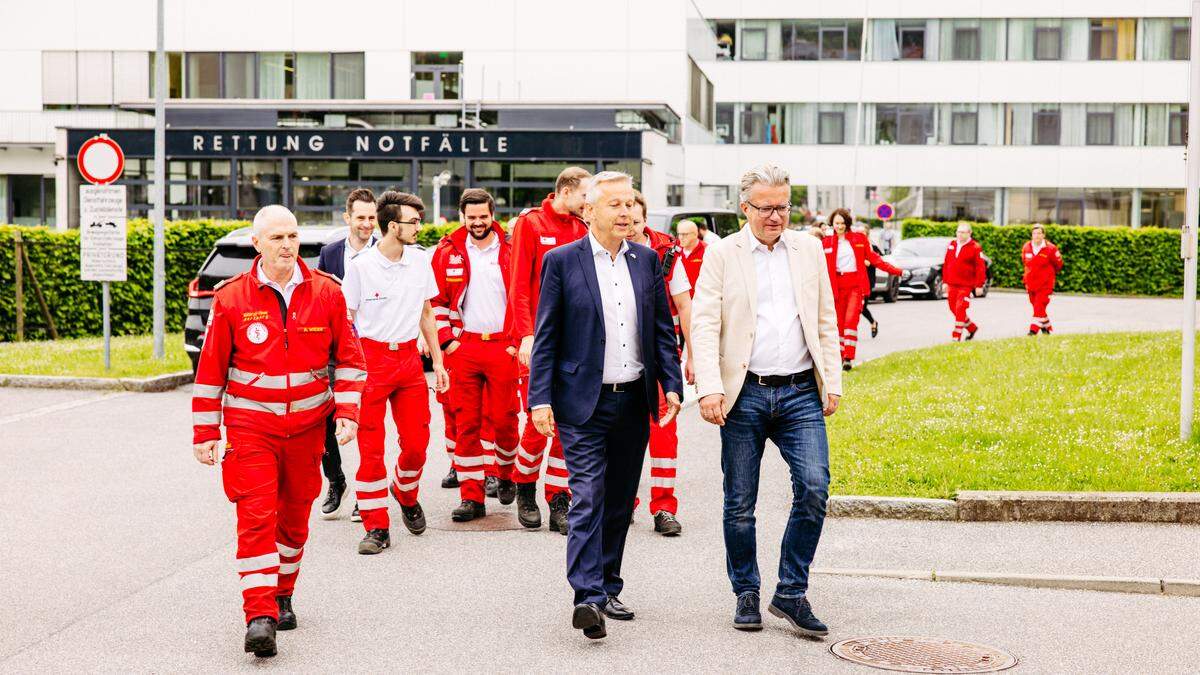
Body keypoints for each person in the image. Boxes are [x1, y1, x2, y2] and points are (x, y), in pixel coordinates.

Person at [191, 205, 366, 658]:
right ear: (258, 245)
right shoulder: (230, 299)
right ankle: (259, 615)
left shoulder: (328, 293)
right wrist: (206, 433)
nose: (287, 245)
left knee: (294, 519)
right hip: (251, 431)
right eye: (277, 238)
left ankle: (283, 592)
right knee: (255, 518)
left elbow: (349, 359)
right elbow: (210, 372)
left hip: (308, 430)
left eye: (292, 237)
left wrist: (347, 410)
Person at [528, 170, 683, 640]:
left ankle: (609, 585)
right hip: (582, 403)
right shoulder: (562, 260)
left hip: (632, 399)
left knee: (619, 503)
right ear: (588, 211)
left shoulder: (646, 260)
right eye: (615, 204)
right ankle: (587, 597)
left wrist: (671, 385)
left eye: (632, 203)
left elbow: (660, 330)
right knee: (589, 497)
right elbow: (547, 334)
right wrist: (539, 399)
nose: (627, 212)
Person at [691, 164, 842, 637]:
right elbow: (704, 322)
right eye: (766, 208)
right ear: (745, 208)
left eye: (782, 207)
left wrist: (831, 381)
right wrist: (709, 387)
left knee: (815, 488)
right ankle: (747, 591)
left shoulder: (809, 250)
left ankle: (791, 592)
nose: (776, 216)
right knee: (739, 502)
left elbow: (825, 319)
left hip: (799, 391)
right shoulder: (722, 254)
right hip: (745, 393)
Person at [341, 190, 450, 554]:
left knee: (417, 445)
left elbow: (427, 314)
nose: (419, 227)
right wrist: (350, 372)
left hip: (407, 362)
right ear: (392, 226)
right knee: (371, 450)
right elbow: (348, 322)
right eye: (413, 222)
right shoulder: (360, 267)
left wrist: (438, 362)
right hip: (370, 361)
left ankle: (404, 490)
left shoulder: (420, 262)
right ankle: (376, 527)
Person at [507, 166, 592, 532]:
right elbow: (519, 286)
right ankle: (524, 482)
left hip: (575, 342)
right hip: (539, 340)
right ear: (567, 190)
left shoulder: (582, 227)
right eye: (586, 195)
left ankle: (559, 495)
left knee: (568, 421)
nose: (590, 203)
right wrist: (526, 335)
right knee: (538, 421)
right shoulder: (532, 224)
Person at [431, 188, 521, 520]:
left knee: (505, 420)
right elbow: (437, 303)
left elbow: (525, 297)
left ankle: (506, 473)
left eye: (483, 216)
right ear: (462, 217)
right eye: (471, 218)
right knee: (466, 423)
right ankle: (472, 497)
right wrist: (448, 342)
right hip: (465, 346)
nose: (478, 223)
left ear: (492, 215)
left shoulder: (512, 248)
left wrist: (517, 342)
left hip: (503, 346)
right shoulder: (448, 250)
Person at [626, 191, 692, 536]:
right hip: (619, 361)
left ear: (645, 220)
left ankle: (664, 507)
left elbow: (685, 306)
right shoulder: (607, 250)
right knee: (622, 436)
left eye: (635, 221)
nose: (628, 227)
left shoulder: (666, 255)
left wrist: (692, 354)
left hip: (657, 358)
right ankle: (625, 503)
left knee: (663, 434)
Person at [315, 188, 378, 522]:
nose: (367, 224)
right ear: (347, 218)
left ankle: (366, 492)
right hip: (333, 349)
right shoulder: (330, 252)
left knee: (366, 423)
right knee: (326, 418)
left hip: (370, 348)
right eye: (361, 218)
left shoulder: (383, 252)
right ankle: (336, 479)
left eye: (372, 218)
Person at [823, 210, 901, 369]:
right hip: (836, 287)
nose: (839, 226)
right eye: (837, 223)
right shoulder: (826, 242)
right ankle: (839, 355)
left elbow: (876, 260)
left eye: (842, 223)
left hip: (855, 286)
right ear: (832, 223)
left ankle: (848, 358)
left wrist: (897, 271)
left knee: (851, 320)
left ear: (848, 223)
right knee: (838, 323)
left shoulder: (859, 239)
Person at [942, 222, 988, 341]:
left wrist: (979, 285)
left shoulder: (975, 247)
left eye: (963, 232)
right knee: (953, 308)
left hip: (966, 285)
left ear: (969, 233)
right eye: (958, 232)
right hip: (952, 283)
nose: (960, 234)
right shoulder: (951, 244)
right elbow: (946, 263)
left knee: (960, 308)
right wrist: (945, 282)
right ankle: (972, 328)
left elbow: (980, 267)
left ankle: (956, 336)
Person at [1023, 225, 1063, 335]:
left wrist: (1047, 275)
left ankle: (1032, 331)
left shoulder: (1051, 249)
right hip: (1031, 284)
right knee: (1037, 307)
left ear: (1043, 235)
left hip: (1045, 285)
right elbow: (1025, 262)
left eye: (1039, 233)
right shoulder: (1026, 247)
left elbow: (1058, 264)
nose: (1036, 236)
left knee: (1039, 307)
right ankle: (1046, 328)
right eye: (1034, 233)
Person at [676, 219, 706, 296]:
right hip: (679, 302)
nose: (681, 237)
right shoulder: (673, 249)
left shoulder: (707, 251)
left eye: (685, 234)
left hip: (699, 300)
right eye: (679, 234)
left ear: (695, 234)